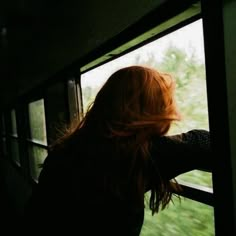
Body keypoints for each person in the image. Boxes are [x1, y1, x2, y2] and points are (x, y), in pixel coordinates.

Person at [24, 65, 212, 235]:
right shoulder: (137, 155)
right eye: (165, 105)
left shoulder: (67, 149)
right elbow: (204, 144)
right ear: (150, 112)